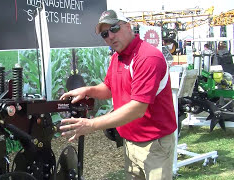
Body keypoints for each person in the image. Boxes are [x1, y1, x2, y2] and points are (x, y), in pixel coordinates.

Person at [59, 9, 177, 180]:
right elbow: (109, 88)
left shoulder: (148, 57)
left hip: (154, 144)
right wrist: (88, 90)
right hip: (131, 143)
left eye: (114, 29)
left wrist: (91, 125)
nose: (110, 37)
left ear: (128, 27)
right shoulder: (118, 57)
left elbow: (138, 108)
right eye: (105, 34)